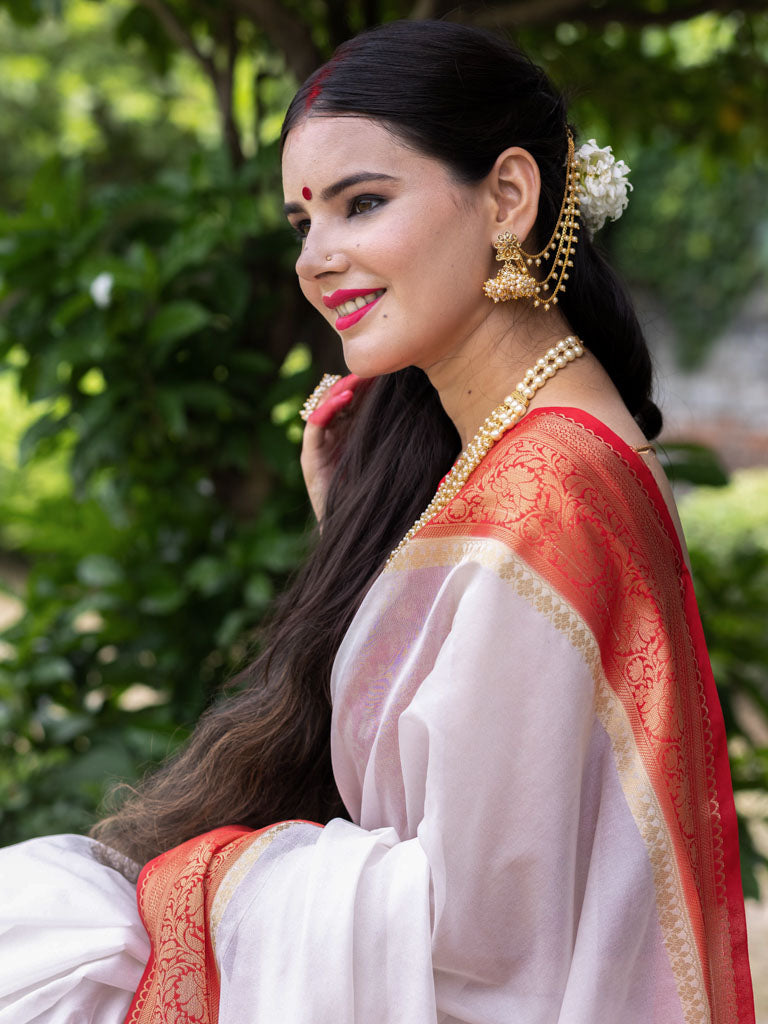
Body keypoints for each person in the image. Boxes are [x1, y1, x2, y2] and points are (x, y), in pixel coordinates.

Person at [0, 19, 756, 1024]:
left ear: (509, 197)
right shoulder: (517, 455)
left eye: (362, 203)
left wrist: (203, 885)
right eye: (302, 221)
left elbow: (472, 940)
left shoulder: (549, 489)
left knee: (57, 939)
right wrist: (360, 542)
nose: (317, 259)